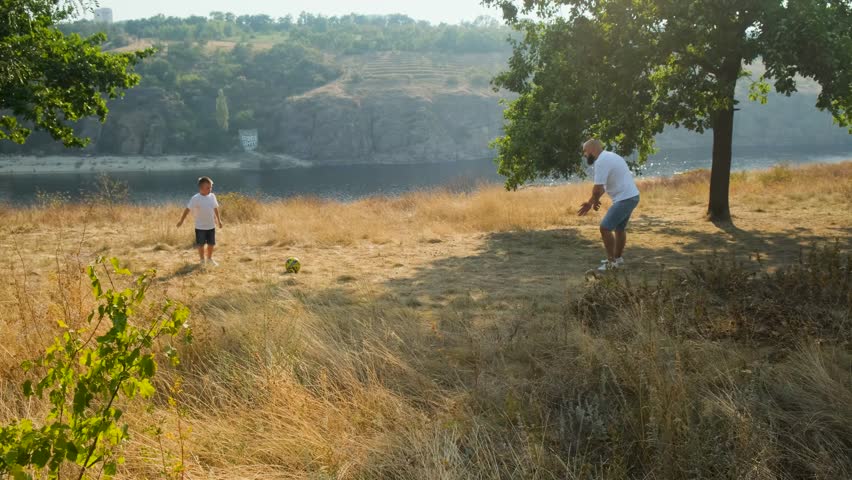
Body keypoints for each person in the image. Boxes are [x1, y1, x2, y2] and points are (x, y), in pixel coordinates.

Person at [577, 139, 640, 271]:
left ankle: (611, 263)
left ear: (592, 150)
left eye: (585, 151)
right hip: (632, 196)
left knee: (605, 228)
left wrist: (594, 200)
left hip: (625, 199)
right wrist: (590, 202)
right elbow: (603, 188)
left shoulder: (601, 162)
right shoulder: (611, 156)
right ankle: (617, 258)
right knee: (619, 229)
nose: (584, 155)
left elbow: (597, 188)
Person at [177, 176, 223, 266]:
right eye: (208, 188)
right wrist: (181, 220)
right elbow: (187, 209)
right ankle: (202, 261)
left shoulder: (212, 196)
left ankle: (209, 259)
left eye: (211, 187)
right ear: (201, 188)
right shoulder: (195, 198)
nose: (210, 189)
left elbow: (215, 208)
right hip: (200, 227)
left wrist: (219, 220)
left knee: (211, 244)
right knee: (201, 245)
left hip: (211, 226)